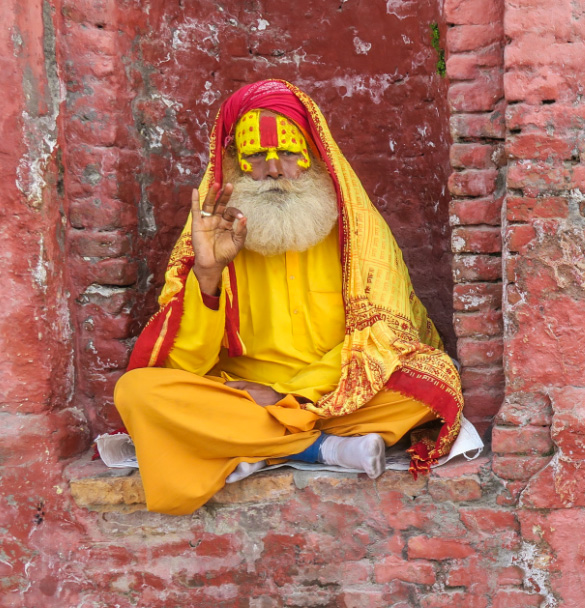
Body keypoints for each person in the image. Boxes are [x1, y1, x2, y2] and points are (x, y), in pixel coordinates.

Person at [115, 80, 465, 515]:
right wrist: (207, 275)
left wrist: (285, 395)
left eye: (287, 153)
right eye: (257, 157)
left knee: (434, 379)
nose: (275, 169)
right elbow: (182, 365)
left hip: (339, 390)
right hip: (241, 395)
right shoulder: (213, 236)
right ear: (236, 165)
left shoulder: (356, 231)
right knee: (138, 392)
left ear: (314, 156)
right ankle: (320, 449)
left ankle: (250, 442)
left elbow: (386, 338)